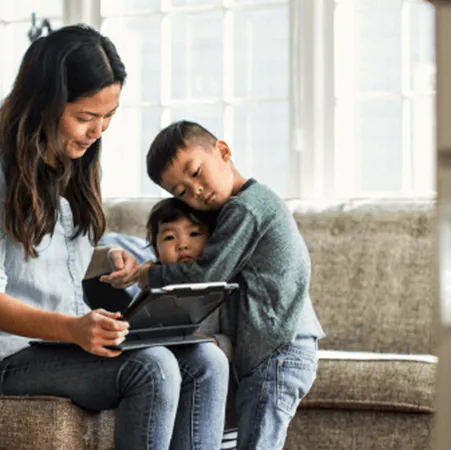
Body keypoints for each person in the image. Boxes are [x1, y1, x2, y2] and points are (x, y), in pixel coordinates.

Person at [0, 27, 229, 450]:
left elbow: (38, 256)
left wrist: (107, 258)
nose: (98, 130)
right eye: (85, 117)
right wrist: (74, 329)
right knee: (152, 368)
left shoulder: (69, 160)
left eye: (108, 116)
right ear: (43, 103)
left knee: (206, 360)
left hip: (55, 342)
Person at [136, 120, 326, 449]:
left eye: (195, 172)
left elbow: (204, 276)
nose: (194, 191)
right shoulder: (240, 207)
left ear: (223, 151)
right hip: (276, 350)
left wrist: (149, 275)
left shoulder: (246, 209)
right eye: (181, 192)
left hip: (280, 351)